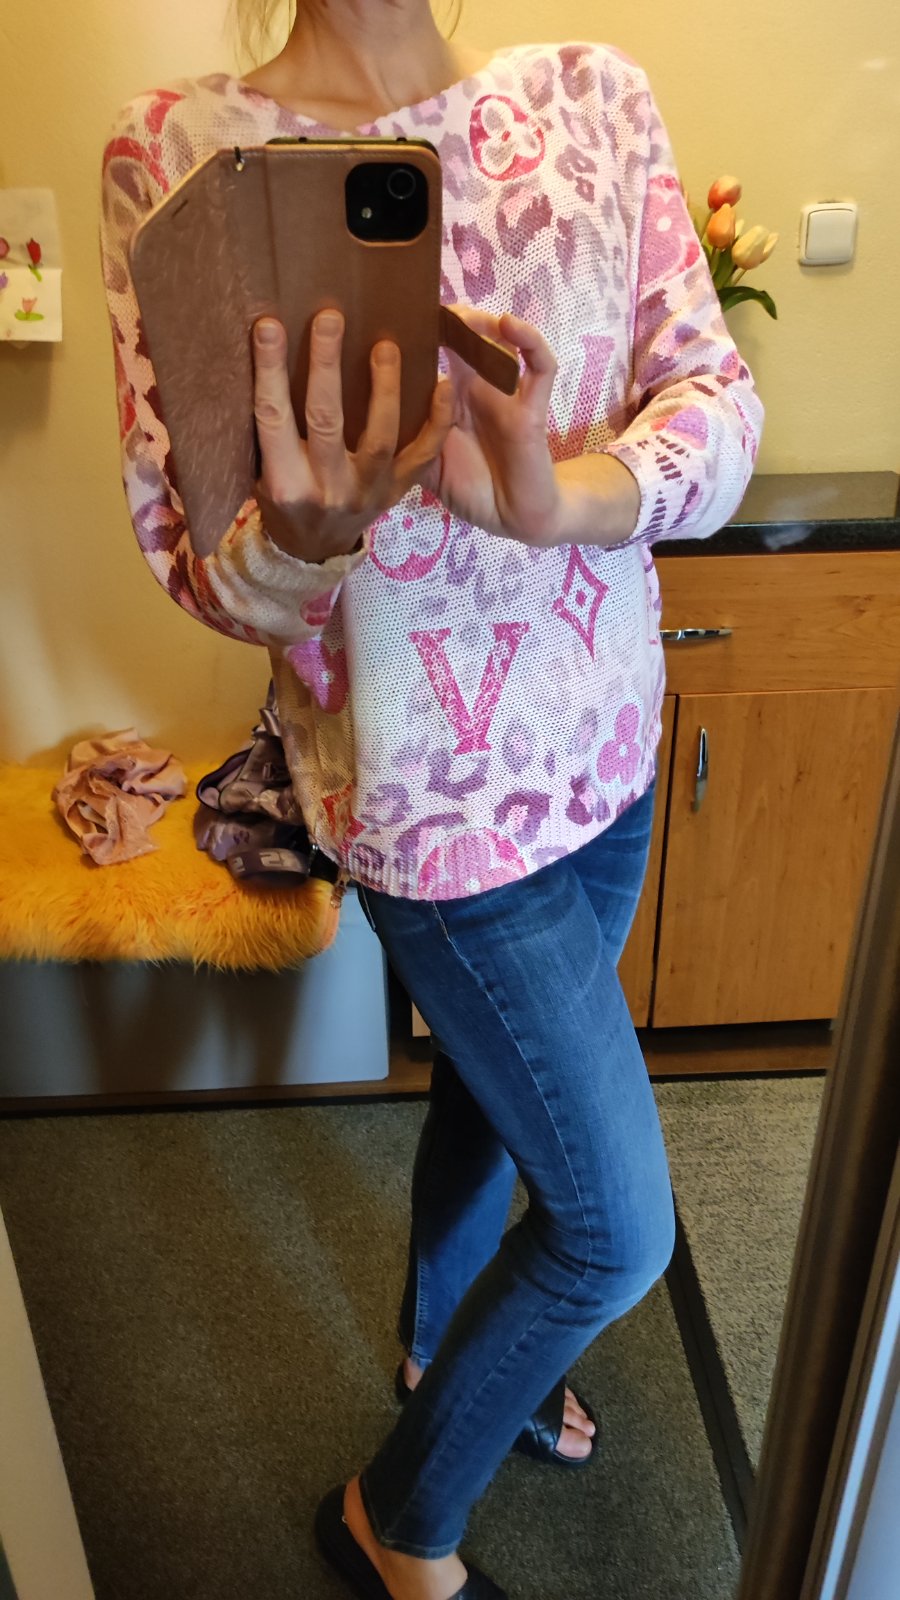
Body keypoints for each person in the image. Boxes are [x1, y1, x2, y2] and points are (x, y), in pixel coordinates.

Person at [100, 2, 763, 1595]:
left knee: (490, 1097)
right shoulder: (179, 154)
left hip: (607, 747)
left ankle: (439, 1347)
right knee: (614, 1231)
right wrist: (309, 539)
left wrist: (562, 497)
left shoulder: (595, 96)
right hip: (428, 805)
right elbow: (193, 562)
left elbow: (715, 395)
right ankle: (396, 1519)